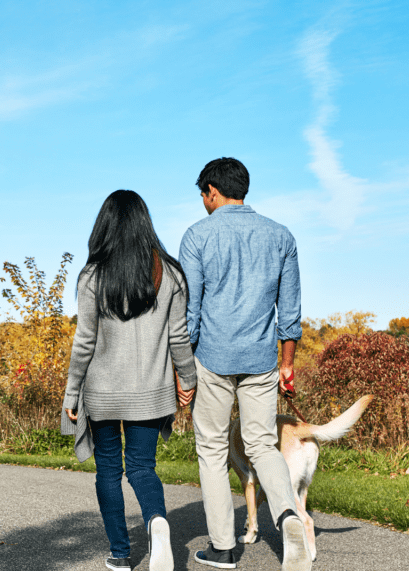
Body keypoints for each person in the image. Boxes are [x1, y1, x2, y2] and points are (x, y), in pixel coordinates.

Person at [177, 157, 311, 571]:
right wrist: (286, 364)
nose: (203, 201)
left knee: (213, 449)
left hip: (212, 360)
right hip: (260, 361)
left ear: (213, 191)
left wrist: (183, 370)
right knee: (261, 444)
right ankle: (287, 517)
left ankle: (222, 549)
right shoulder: (281, 236)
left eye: (203, 194)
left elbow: (190, 313)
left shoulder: (196, 236)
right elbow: (289, 313)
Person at [62, 189, 198, 571]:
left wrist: (72, 394)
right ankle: (157, 523)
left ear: (104, 226)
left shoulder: (92, 275)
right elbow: (179, 337)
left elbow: (84, 342)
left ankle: (121, 554)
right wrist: (187, 379)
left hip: (102, 393)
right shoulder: (169, 274)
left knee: (108, 470)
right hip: (151, 393)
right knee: (142, 468)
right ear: (145, 224)